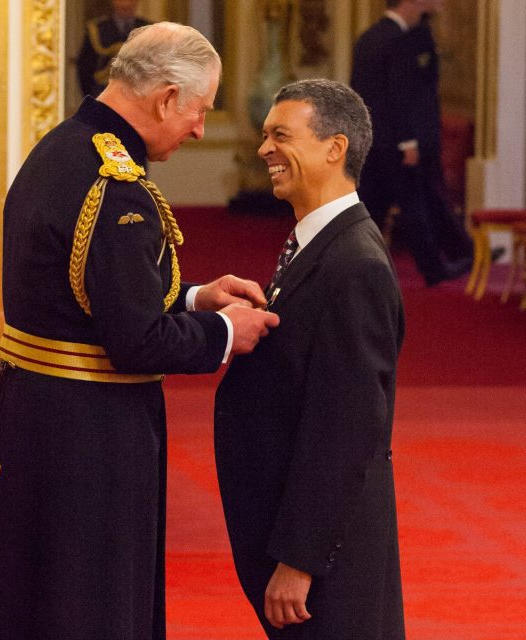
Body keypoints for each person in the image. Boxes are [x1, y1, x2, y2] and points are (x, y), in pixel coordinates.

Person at [0, 22, 279, 640]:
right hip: (90, 439)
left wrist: (192, 296)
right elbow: (136, 340)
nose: (198, 130)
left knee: (28, 603)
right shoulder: (115, 185)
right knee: (90, 609)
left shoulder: (64, 148)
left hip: (35, 419)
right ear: (164, 98)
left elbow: (85, 301)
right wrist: (222, 331)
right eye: (198, 111)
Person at [214, 79, 406, 639]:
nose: (264, 149)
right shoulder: (323, 244)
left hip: (330, 562)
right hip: (310, 542)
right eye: (265, 135)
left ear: (335, 148)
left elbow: (347, 428)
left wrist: (299, 562)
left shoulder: (356, 264)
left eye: (280, 135)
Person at [351, 0, 476, 286]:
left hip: (373, 139)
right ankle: (433, 268)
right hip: (396, 141)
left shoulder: (368, 38)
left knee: (371, 208)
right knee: (411, 205)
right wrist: (408, 142)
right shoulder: (398, 40)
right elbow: (399, 96)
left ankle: (355, 267)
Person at [77, 0, 150, 97]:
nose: (126, 2)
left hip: (140, 97)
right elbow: (85, 69)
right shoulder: (97, 29)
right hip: (103, 96)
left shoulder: (149, 30)